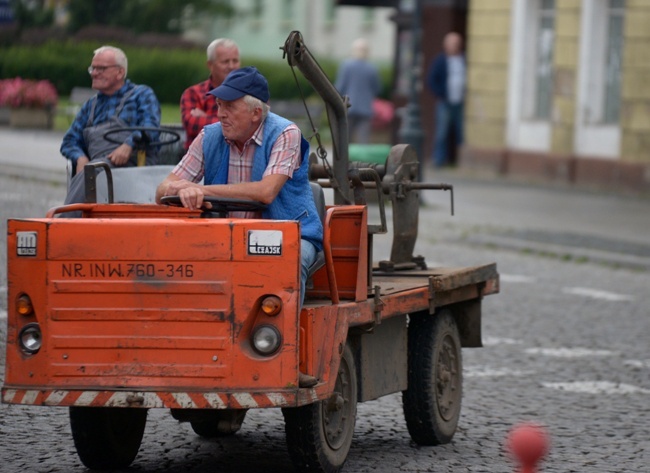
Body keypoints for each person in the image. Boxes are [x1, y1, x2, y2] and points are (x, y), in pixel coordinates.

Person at [157, 67, 323, 388]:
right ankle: (192, 348)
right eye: (218, 105)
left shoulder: (286, 133)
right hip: (225, 238)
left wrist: (202, 190)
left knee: (286, 260)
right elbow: (163, 188)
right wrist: (180, 190)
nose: (220, 114)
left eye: (229, 106)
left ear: (256, 112)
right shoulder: (210, 136)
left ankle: (287, 357)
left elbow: (265, 192)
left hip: (288, 234)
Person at [60, 45, 161, 210]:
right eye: (93, 68)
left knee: (91, 172)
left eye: (101, 68)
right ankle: (72, 224)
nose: (94, 73)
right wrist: (79, 157)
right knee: (90, 170)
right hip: (97, 165)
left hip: (135, 165)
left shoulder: (141, 94)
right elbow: (69, 140)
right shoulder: (90, 106)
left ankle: (63, 225)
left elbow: (151, 125)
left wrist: (129, 144)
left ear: (120, 72)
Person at [180, 38, 240, 149]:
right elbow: (191, 125)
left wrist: (206, 118)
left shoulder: (249, 93)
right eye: (225, 61)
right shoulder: (193, 93)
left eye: (235, 61)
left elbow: (258, 124)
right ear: (210, 65)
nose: (231, 66)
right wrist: (237, 123)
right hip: (201, 161)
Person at [426, 32, 466, 168]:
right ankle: (438, 159)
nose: (455, 46)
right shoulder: (440, 60)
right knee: (441, 132)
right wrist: (441, 93)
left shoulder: (463, 59)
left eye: (457, 43)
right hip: (445, 101)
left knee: (461, 131)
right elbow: (431, 80)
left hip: (460, 101)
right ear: (446, 45)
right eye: (452, 43)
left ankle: (461, 160)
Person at [334, 38, 381, 144]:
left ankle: (345, 160)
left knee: (346, 139)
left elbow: (339, 87)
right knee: (363, 140)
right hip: (366, 109)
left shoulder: (346, 65)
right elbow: (377, 89)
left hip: (348, 106)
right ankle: (361, 160)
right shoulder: (372, 68)